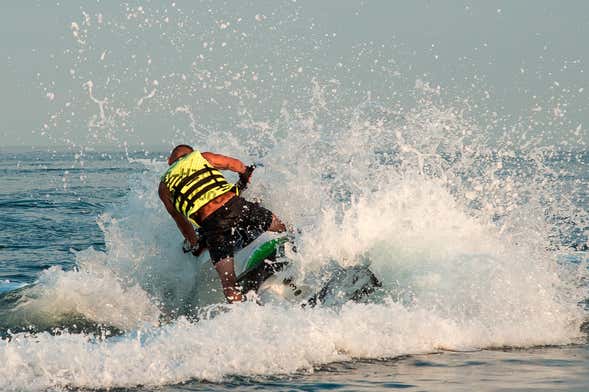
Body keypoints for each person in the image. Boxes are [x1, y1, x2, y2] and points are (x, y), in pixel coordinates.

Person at [159, 144, 286, 303]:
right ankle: (291, 239)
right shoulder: (202, 157)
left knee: (228, 284)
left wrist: (194, 243)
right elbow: (234, 164)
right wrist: (245, 174)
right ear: (190, 154)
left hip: (212, 226)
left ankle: (241, 313)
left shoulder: (164, 187)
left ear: (169, 161)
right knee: (280, 226)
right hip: (235, 206)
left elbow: (182, 222)